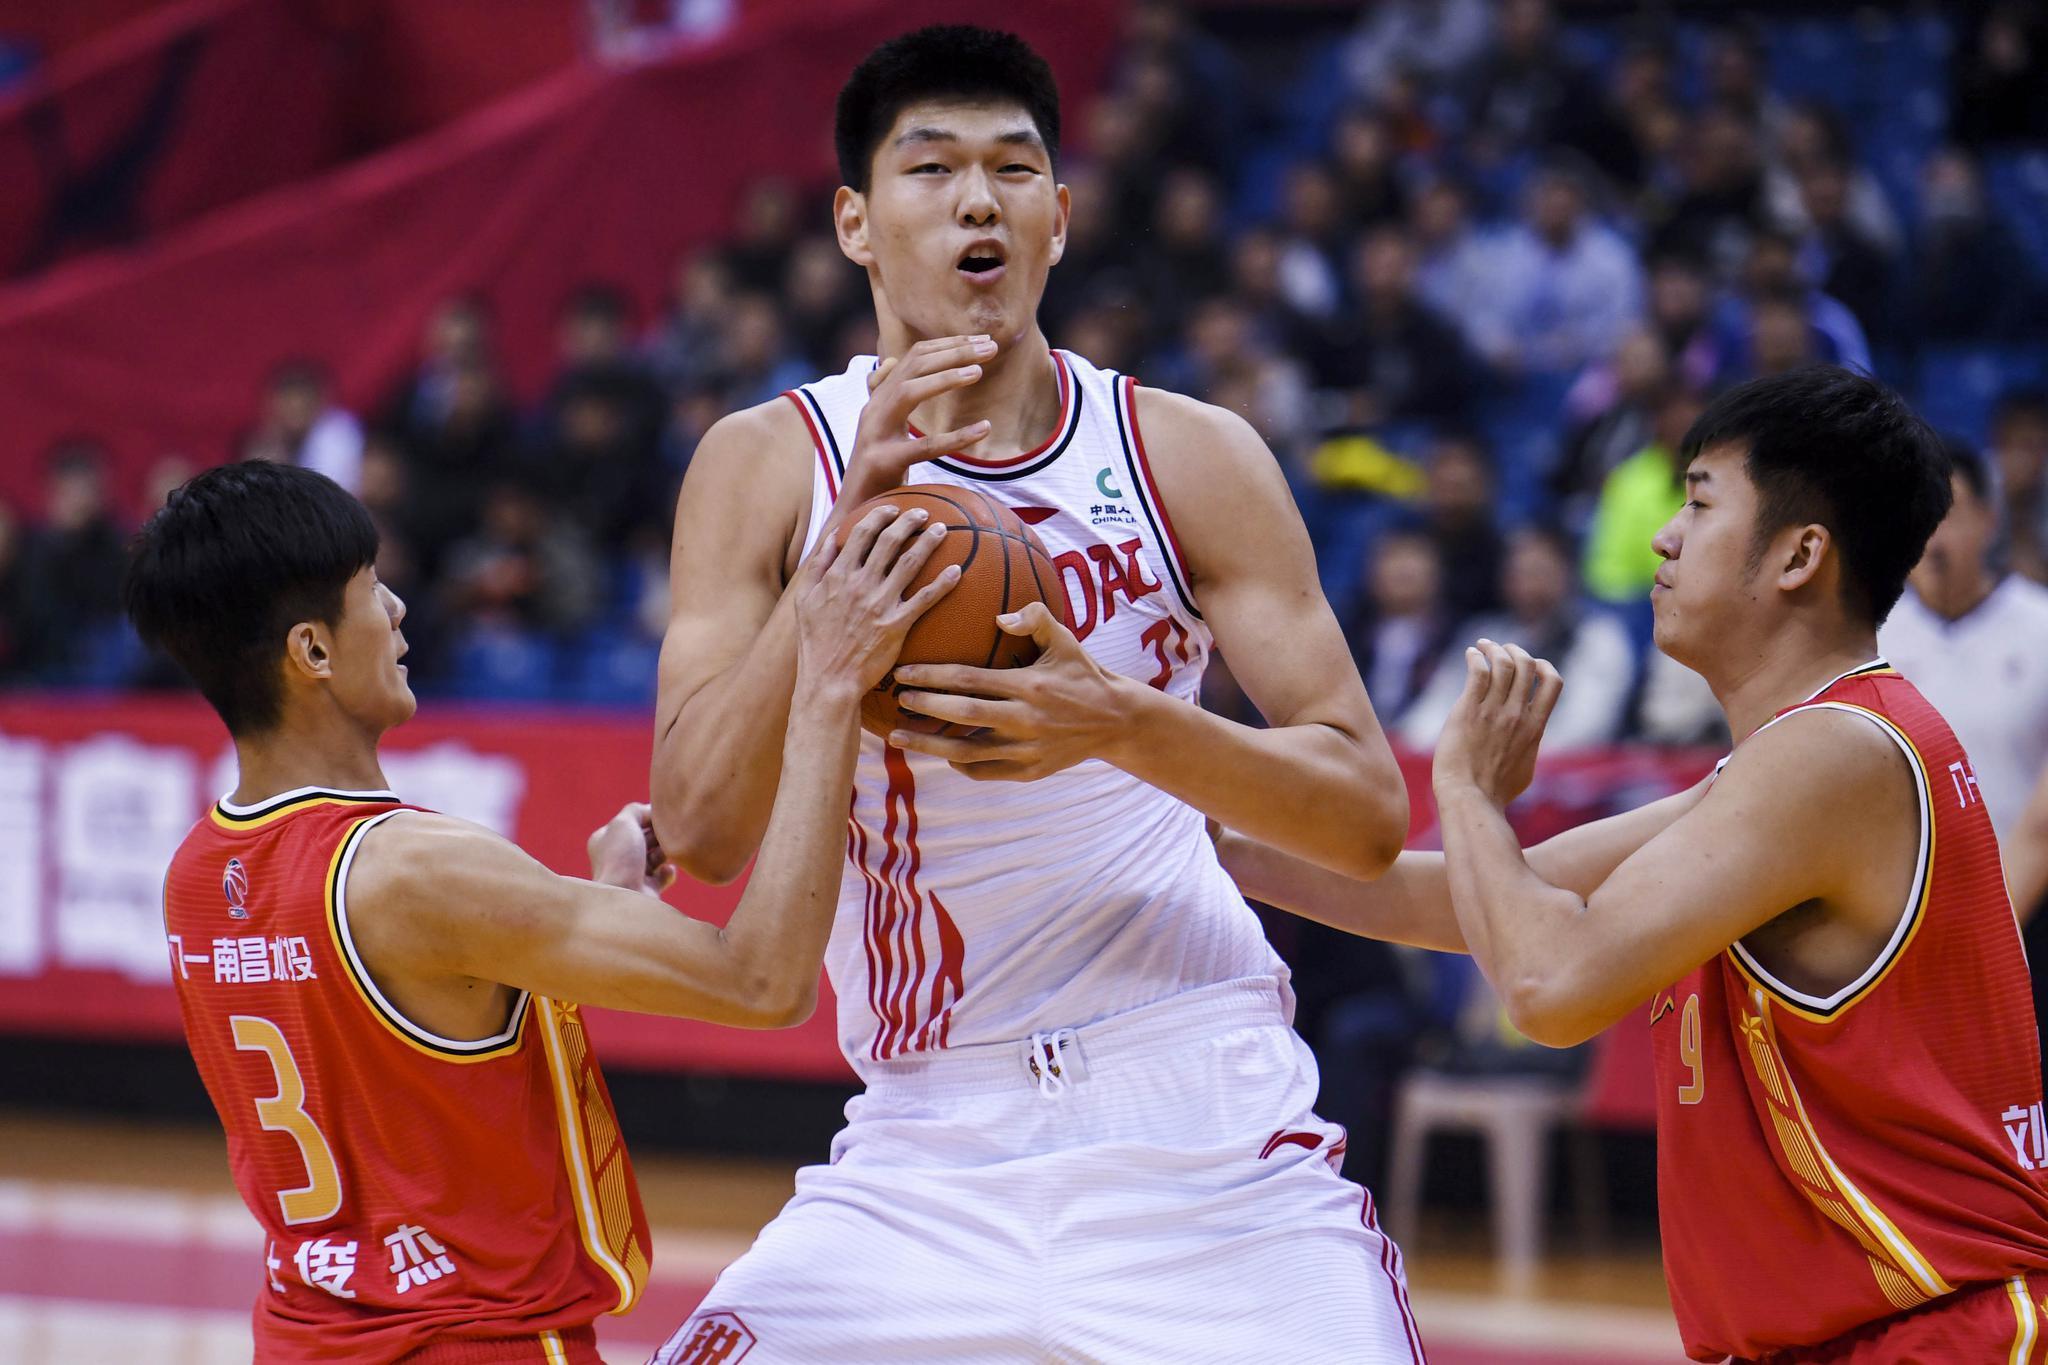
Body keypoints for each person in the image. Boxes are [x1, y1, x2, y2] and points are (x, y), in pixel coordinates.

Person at [650, 24, 1418, 1363]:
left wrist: (1122, 720)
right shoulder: (766, 465)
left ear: (1057, 219)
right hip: (927, 1135)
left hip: (1200, 1117)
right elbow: (701, 830)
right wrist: (840, 551)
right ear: (853, 223)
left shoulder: (1187, 454)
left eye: (1012, 170)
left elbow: (1361, 813)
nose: (977, 202)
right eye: (930, 168)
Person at [1220, 367, 2048, 1361]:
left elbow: (1547, 985)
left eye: (1697, 503)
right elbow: (1460, 901)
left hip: (1940, 1333)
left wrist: (1468, 791)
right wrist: (1196, 841)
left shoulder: (1832, 755)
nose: (1661, 536)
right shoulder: (1796, 759)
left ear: (1798, 555)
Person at [125, 460, 956, 1363]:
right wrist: (829, 689)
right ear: (312, 652)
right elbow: (764, 981)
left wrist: (608, 896)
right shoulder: (415, 871)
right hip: (474, 1342)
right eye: (370, 590)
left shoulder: (197, 873)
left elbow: (426, 1017)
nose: (398, 609)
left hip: (306, 1339)